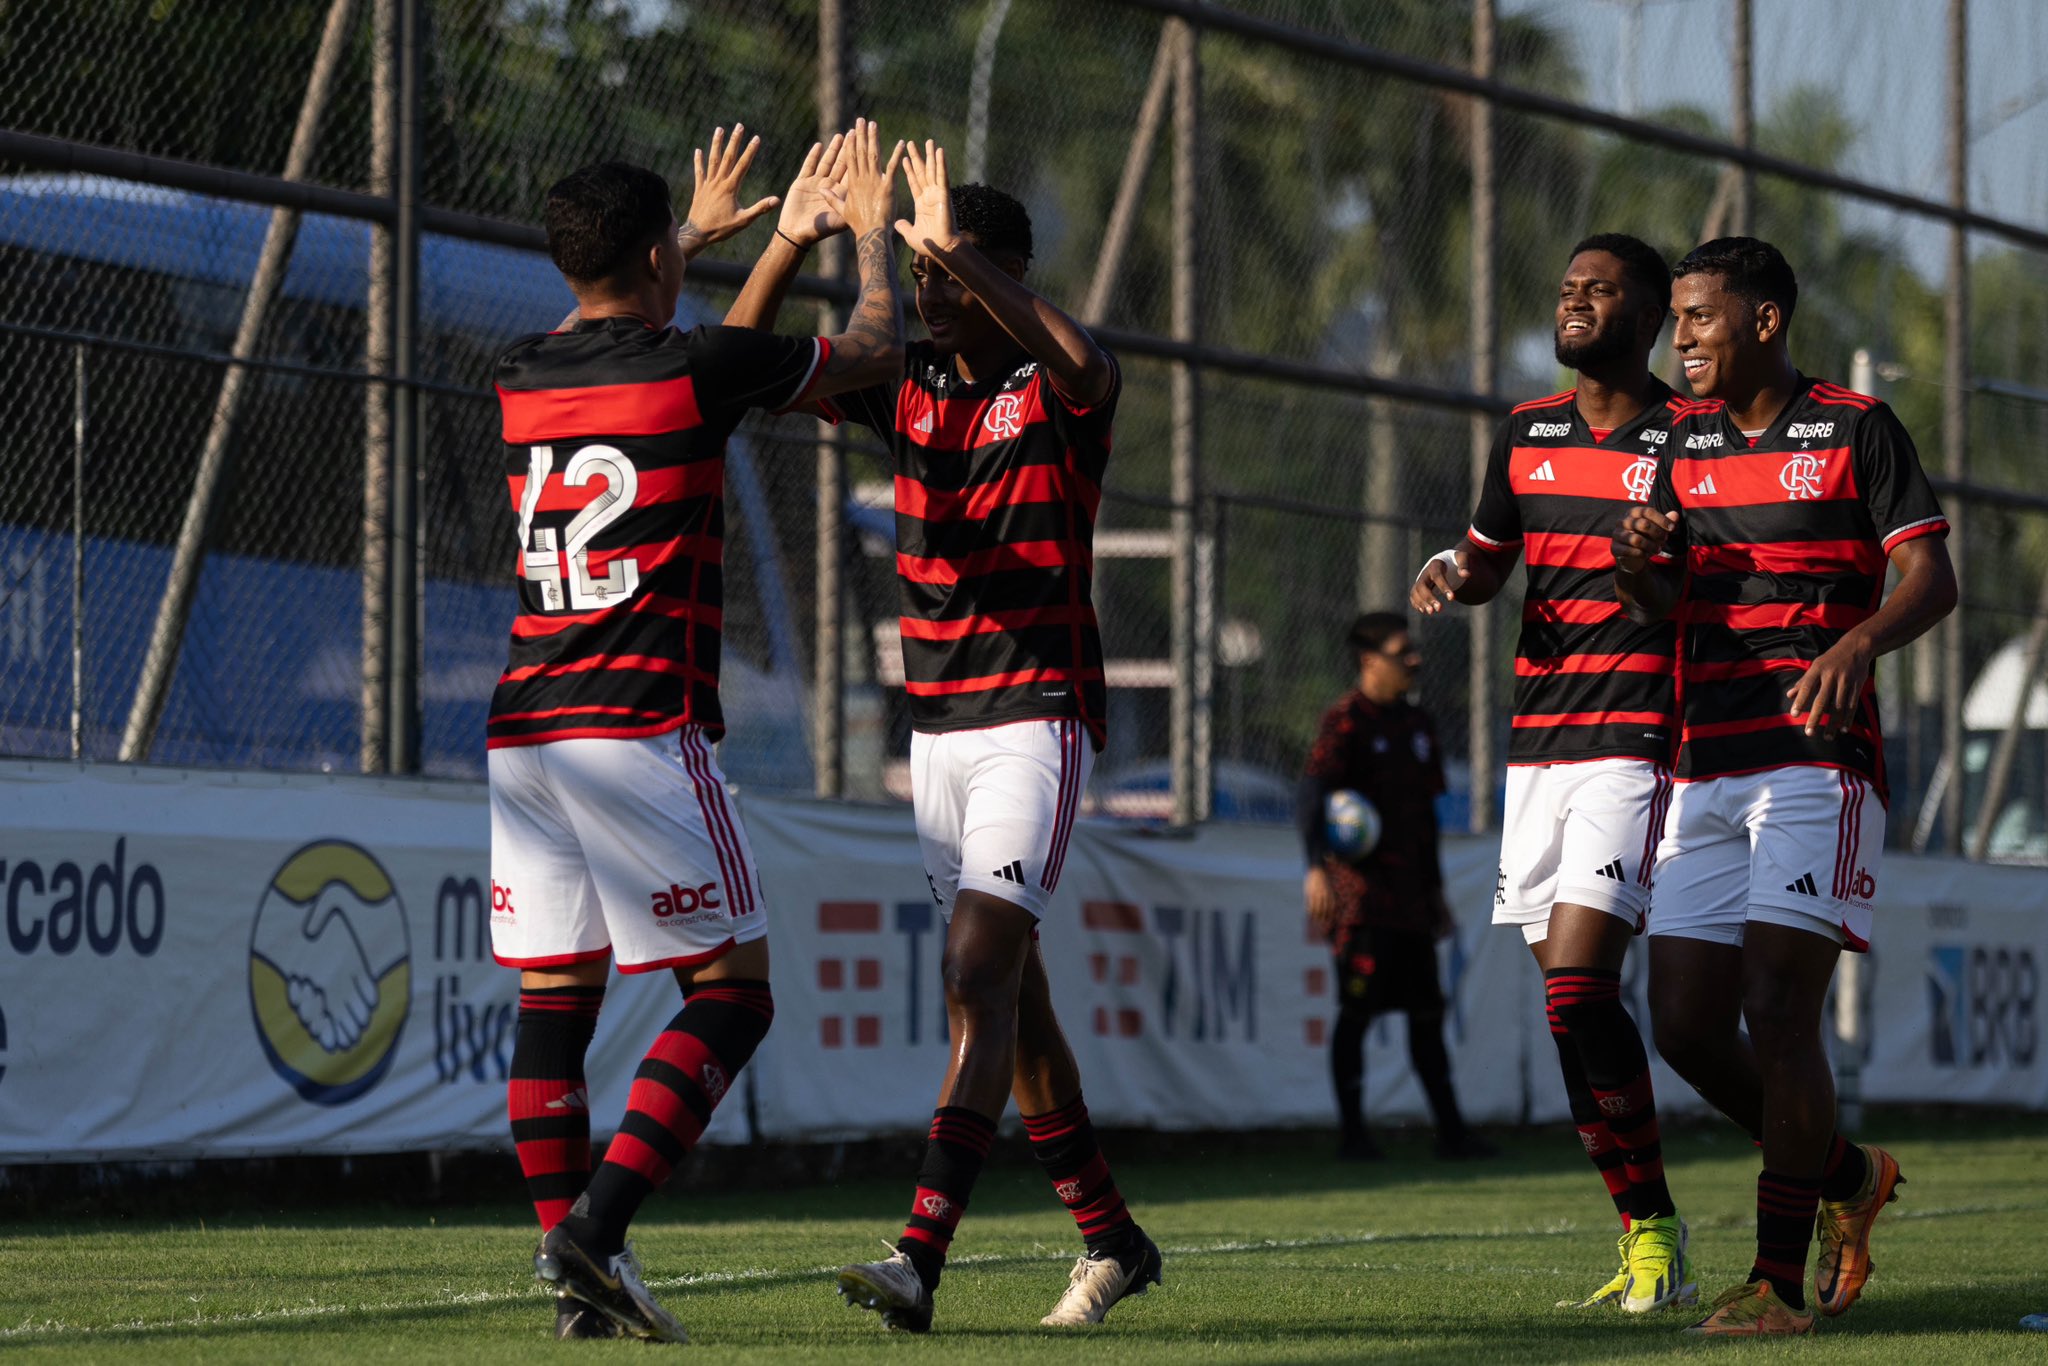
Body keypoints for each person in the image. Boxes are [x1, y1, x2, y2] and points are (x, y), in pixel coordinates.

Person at [726, 133, 1160, 1333]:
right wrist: (796, 241)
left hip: (1034, 717)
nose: (928, 290)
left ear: (999, 269)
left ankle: (919, 1256)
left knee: (974, 970)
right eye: (919, 273)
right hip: (938, 732)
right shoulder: (904, 380)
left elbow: (1090, 364)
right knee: (1012, 1007)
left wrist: (964, 255)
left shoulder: (1050, 388)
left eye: (946, 270)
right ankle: (1111, 1237)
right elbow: (743, 363)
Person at [488, 125, 906, 1342]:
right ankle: (595, 1232)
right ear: (663, 251)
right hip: (636, 720)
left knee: (552, 1009)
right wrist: (867, 235)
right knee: (733, 993)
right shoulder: (687, 369)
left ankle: (577, 1283)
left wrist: (747, 245)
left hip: (527, 729)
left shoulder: (519, 367)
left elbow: (695, 362)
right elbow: (866, 351)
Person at [1612, 237, 1955, 1337]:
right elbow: (1658, 601)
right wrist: (1637, 556)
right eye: (1675, 320)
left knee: (1776, 1006)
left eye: (1700, 318)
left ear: (1762, 321)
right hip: (1704, 754)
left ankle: (1769, 1281)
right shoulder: (1677, 442)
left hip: (1815, 761)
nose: (1681, 340)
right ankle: (1847, 1172)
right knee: (1680, 1023)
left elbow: (1930, 575)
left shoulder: (1851, 427)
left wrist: (1858, 639)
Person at [1411, 234, 1692, 1313]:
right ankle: (1644, 1231)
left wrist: (1647, 567)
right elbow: (1484, 561)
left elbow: (1681, 594)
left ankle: (1658, 1227)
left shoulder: (1685, 435)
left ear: (1651, 312)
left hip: (1634, 736)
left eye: (1598, 289)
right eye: (1566, 286)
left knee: (1580, 985)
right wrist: (1448, 568)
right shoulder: (1522, 432)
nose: (1572, 301)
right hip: (1537, 748)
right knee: (1561, 1009)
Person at [1299, 611, 1495, 1165]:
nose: (1415, 660)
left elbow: (1427, 818)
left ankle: (1453, 1134)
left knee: (1427, 1014)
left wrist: (1436, 893)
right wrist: (1316, 868)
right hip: (1361, 901)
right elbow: (1313, 797)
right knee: (1356, 1014)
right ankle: (1353, 1136)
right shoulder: (1345, 721)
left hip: (1411, 899)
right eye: (1402, 651)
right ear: (1369, 660)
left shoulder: (1419, 725)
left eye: (1414, 650)